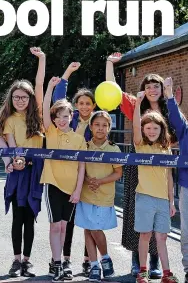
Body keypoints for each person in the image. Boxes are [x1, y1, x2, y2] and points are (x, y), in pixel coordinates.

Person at [106, 52, 166, 277]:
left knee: (158, 211)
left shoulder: (168, 109)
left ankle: (155, 261)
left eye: (156, 86)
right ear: (144, 88)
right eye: (149, 86)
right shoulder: (135, 104)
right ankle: (136, 259)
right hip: (137, 162)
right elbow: (113, 90)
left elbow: (178, 132)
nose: (152, 90)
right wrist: (110, 64)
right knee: (135, 209)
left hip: (161, 164)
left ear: (161, 90)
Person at [0, 48, 46, 278]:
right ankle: (16, 261)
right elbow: (11, 144)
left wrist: (42, 60)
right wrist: (13, 161)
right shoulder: (9, 120)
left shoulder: (40, 115)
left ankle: (27, 260)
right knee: (17, 217)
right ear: (11, 99)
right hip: (17, 171)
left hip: (35, 171)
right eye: (16, 97)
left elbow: (40, 85)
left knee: (30, 217)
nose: (20, 100)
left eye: (24, 97)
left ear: (30, 98)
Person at [41, 77, 87, 282]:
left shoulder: (78, 139)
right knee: (55, 225)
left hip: (71, 188)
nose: (61, 120)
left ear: (71, 116)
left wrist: (78, 190)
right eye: (58, 116)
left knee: (64, 226)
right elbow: (43, 111)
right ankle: (56, 263)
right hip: (52, 184)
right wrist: (50, 87)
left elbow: (82, 166)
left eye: (65, 116)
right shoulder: (50, 132)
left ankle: (59, 262)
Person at [53, 61, 97, 277]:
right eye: (81, 103)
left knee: (89, 219)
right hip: (71, 173)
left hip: (91, 173)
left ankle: (88, 260)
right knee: (67, 221)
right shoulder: (70, 119)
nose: (85, 106)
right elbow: (59, 98)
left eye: (88, 103)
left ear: (94, 106)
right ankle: (66, 259)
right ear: (76, 105)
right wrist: (68, 72)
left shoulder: (98, 121)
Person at [132, 92, 178, 283]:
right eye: (148, 128)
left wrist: (171, 200)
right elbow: (135, 126)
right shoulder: (141, 145)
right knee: (145, 235)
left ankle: (166, 273)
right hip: (144, 197)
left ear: (161, 129)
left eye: (155, 128)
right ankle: (142, 272)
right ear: (143, 130)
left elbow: (168, 175)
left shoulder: (165, 148)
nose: (151, 131)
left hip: (162, 200)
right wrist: (137, 104)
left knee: (162, 238)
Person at [74, 111, 122, 283]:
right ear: (91, 126)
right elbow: (80, 169)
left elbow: (118, 173)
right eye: (97, 124)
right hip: (86, 194)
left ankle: (106, 258)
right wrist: (87, 179)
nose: (100, 128)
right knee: (88, 227)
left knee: (95, 228)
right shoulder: (84, 146)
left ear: (109, 128)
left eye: (104, 125)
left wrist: (100, 181)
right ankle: (94, 265)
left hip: (104, 195)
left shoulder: (113, 148)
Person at [164, 77, 188, 283]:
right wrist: (169, 93)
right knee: (187, 231)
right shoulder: (186, 131)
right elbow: (174, 116)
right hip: (187, 187)